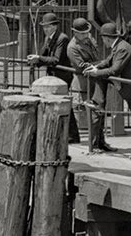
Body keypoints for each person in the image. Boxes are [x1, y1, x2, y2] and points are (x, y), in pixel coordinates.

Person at [28, 11, 80, 142]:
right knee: (57, 103)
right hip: (53, 76)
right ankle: (65, 133)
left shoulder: (62, 38)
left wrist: (39, 58)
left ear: (55, 26)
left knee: (64, 103)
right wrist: (36, 60)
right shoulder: (48, 38)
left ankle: (73, 135)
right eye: (44, 27)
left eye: (49, 26)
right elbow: (44, 54)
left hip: (63, 76)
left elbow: (56, 59)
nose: (46, 29)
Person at [84, 23, 131, 154]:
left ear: (106, 38)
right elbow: (108, 61)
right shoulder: (118, 46)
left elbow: (115, 69)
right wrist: (96, 67)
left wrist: (96, 73)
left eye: (103, 39)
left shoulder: (123, 48)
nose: (102, 41)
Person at [67, 17, 103, 151]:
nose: (86, 34)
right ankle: (93, 144)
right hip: (84, 82)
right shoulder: (72, 47)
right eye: (82, 33)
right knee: (90, 113)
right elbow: (82, 66)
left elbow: (96, 53)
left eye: (87, 32)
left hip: (96, 78)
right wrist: (102, 65)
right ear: (75, 33)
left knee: (100, 110)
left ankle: (100, 141)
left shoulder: (89, 39)